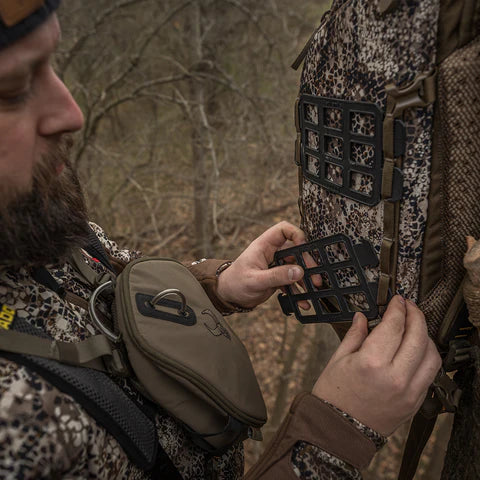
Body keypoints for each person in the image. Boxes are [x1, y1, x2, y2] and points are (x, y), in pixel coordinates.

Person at [0, 2, 441, 479]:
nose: (72, 112)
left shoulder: (26, 219)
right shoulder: (15, 430)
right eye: (15, 88)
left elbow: (105, 291)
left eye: (52, 66)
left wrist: (215, 286)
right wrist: (336, 432)